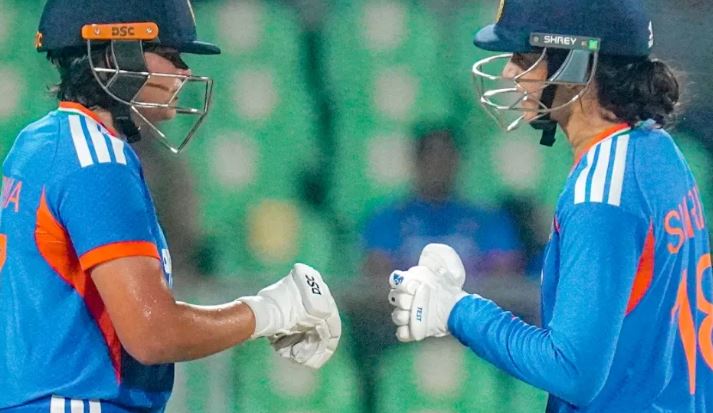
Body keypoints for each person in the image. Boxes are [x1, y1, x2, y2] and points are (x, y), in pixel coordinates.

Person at [0, 1, 340, 412]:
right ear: (118, 53)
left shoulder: (37, 142)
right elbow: (152, 334)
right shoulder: (97, 163)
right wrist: (271, 311)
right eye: (169, 54)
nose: (184, 72)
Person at [388, 0, 712, 411]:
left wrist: (456, 309)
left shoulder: (602, 194)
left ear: (576, 65)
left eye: (524, 58)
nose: (509, 73)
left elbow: (571, 371)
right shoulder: (659, 151)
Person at [363, 122, 524, 287]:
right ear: (416, 162)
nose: (438, 166)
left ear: (458, 161)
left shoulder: (489, 220)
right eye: (430, 157)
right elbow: (379, 282)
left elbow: (504, 278)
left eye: (445, 158)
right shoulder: (387, 221)